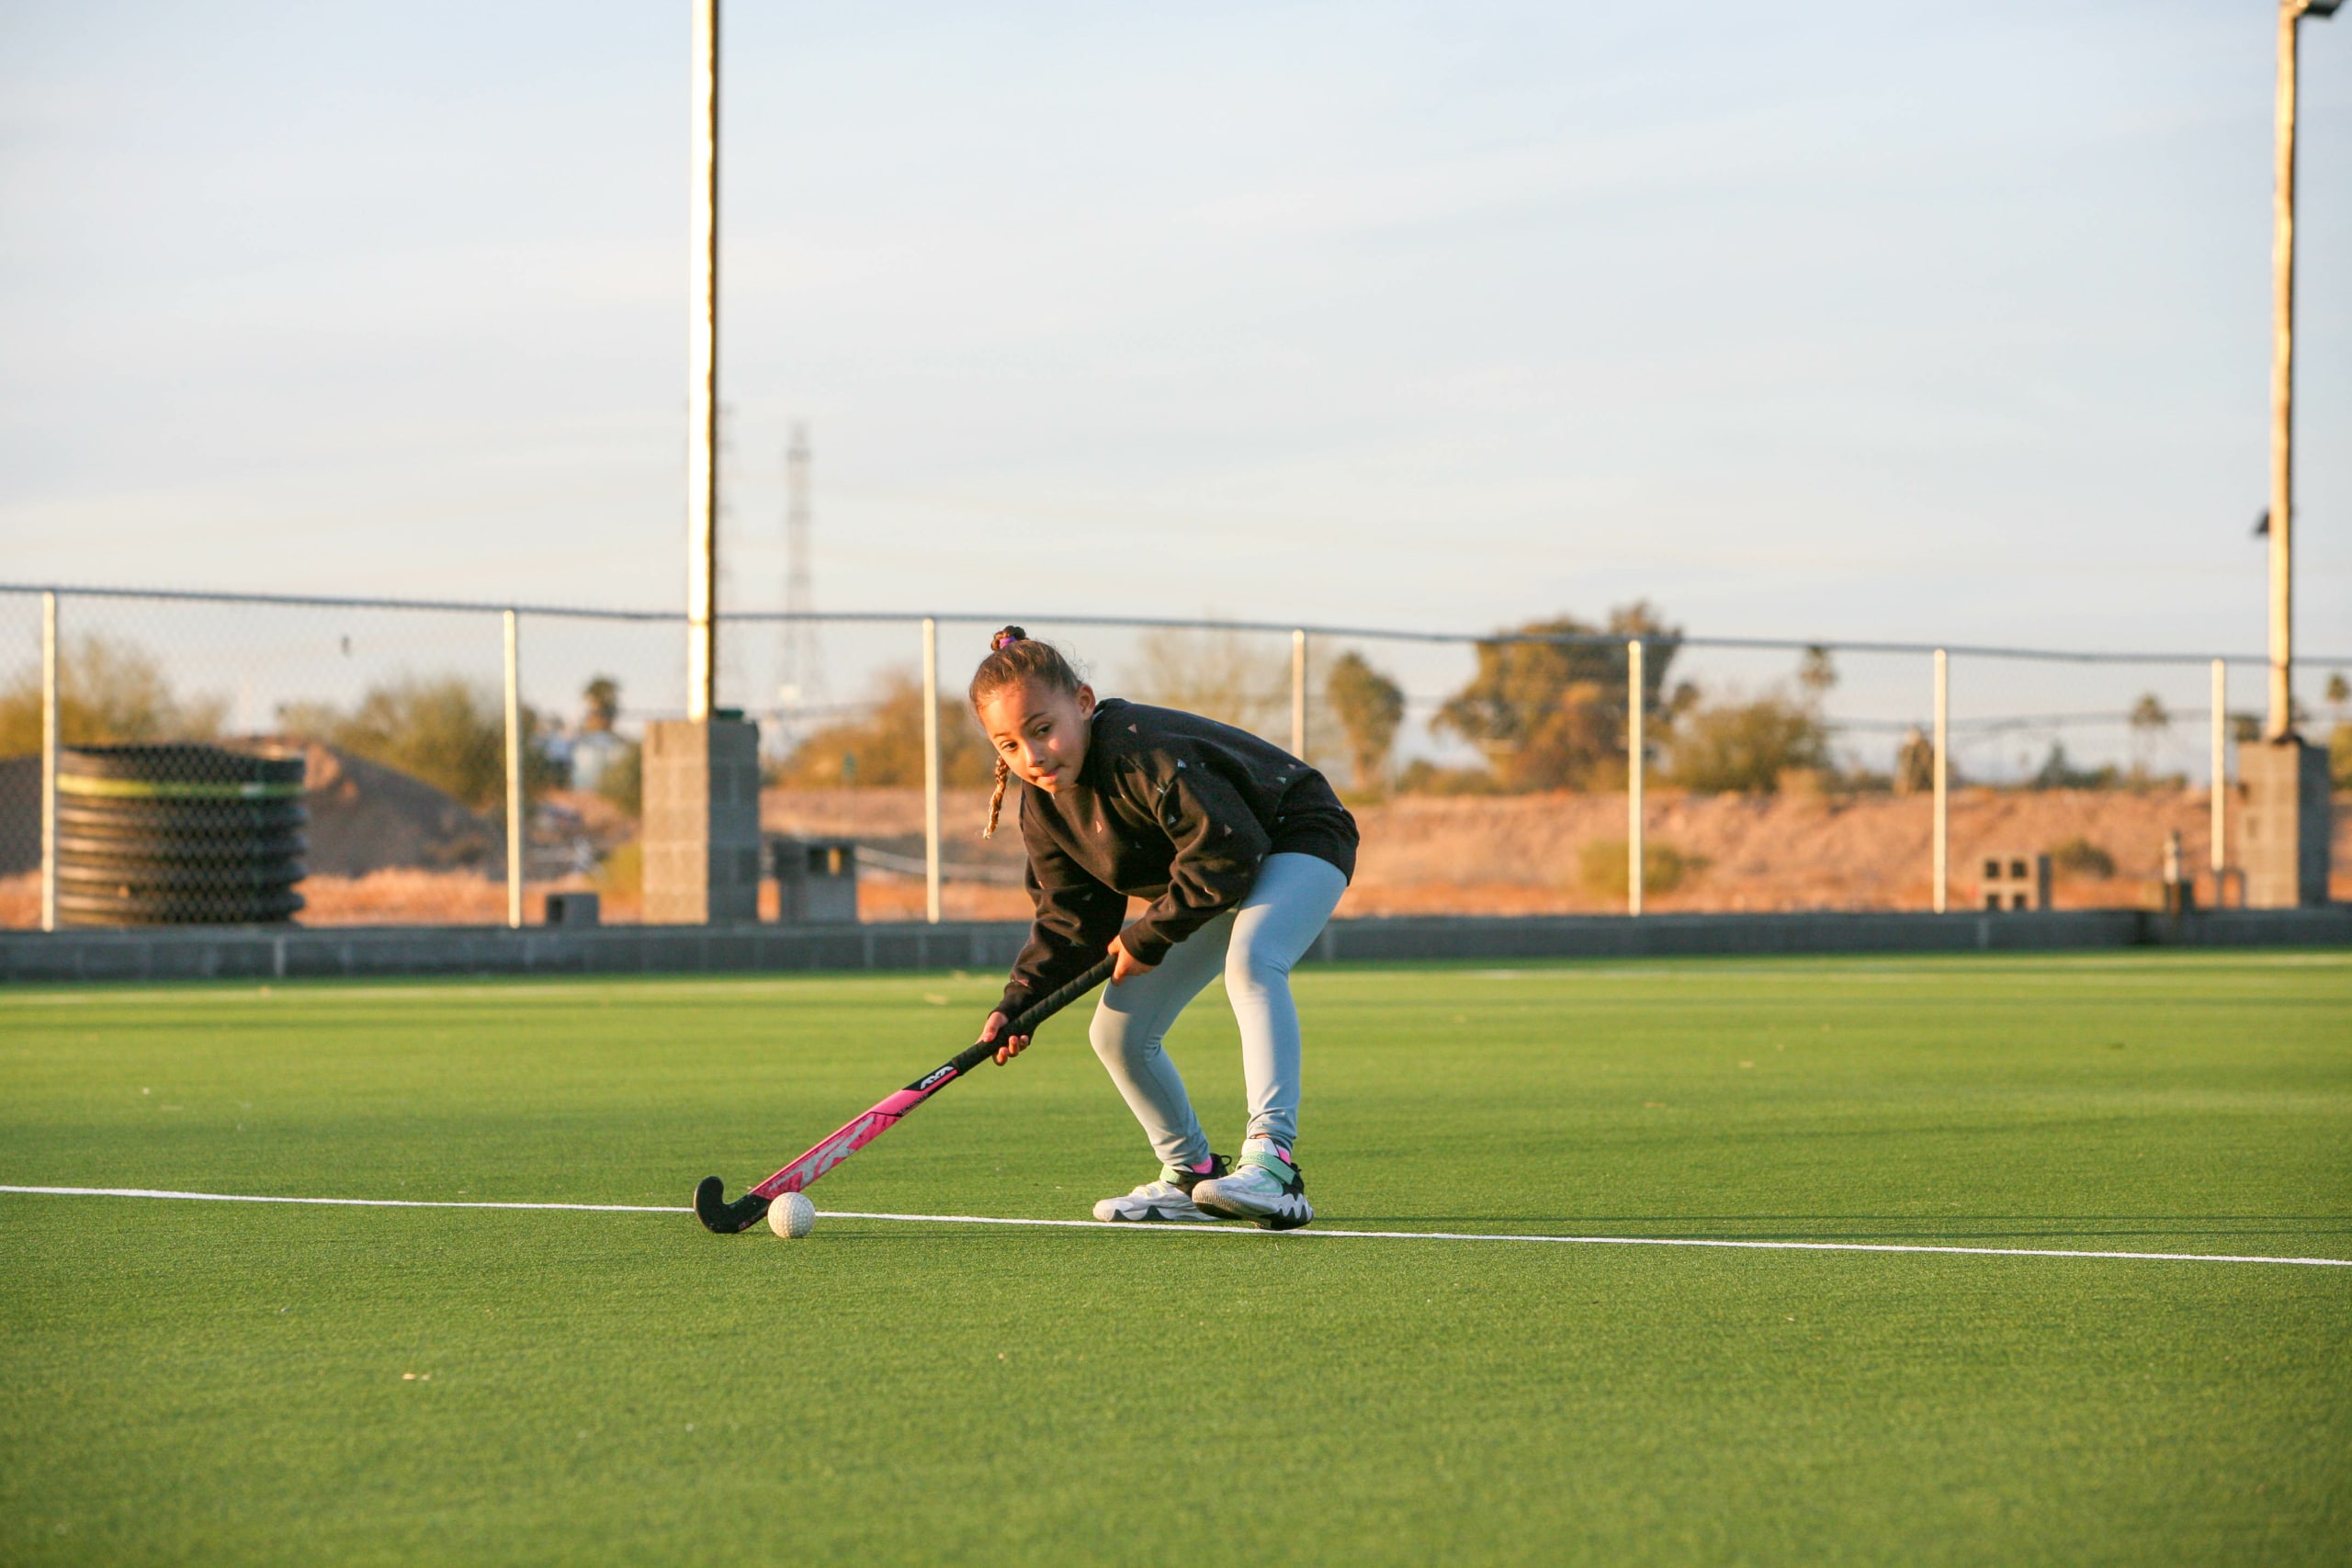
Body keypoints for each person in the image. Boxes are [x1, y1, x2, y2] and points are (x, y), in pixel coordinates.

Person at [972, 626, 1358, 1230]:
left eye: (1043, 729)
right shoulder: (1044, 805)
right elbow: (1071, 916)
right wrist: (1021, 1002)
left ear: (1083, 702)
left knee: (1254, 961)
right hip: (1214, 878)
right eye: (1011, 745)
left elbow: (1226, 854)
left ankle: (1274, 1165)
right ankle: (1191, 1172)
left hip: (1295, 834)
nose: (1035, 756)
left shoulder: (1139, 750)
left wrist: (1148, 934)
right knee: (1116, 1033)